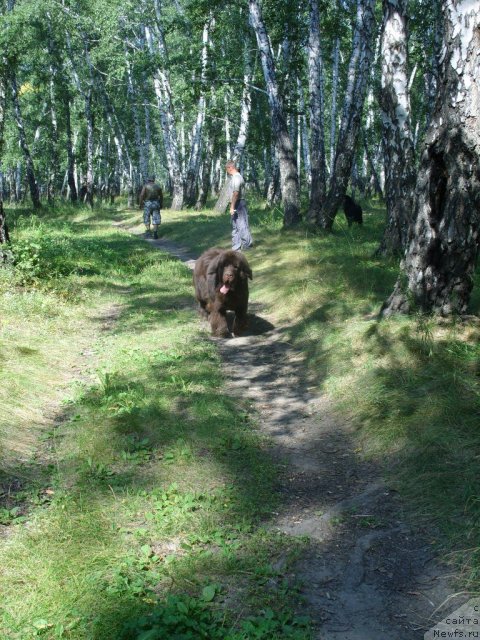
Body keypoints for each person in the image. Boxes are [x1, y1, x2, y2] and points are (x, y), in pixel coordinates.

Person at [226, 160, 253, 251]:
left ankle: (247, 245)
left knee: (241, 225)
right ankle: (236, 248)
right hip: (236, 203)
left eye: (227, 169)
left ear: (230, 168)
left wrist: (232, 207)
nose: (227, 171)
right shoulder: (235, 177)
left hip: (239, 204)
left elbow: (236, 193)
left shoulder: (236, 178)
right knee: (235, 227)